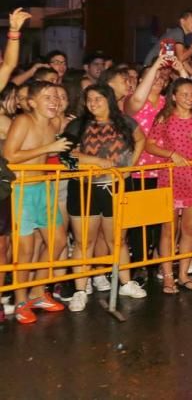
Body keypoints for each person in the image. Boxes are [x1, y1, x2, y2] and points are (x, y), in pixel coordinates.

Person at [63, 84, 147, 312]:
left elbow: (141, 139)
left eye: (99, 98)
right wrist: (96, 162)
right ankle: (81, 289)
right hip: (83, 188)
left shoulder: (125, 122)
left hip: (116, 187)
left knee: (118, 240)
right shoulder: (77, 124)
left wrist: (130, 166)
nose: (93, 103)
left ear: (109, 99)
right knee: (83, 242)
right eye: (89, 99)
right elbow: (65, 156)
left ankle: (126, 282)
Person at [2, 81, 72, 324]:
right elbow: (10, 156)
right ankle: (20, 301)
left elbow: (53, 153)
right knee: (26, 250)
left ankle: (37, 291)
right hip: (22, 191)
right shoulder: (23, 121)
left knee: (59, 241)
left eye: (56, 96)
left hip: (44, 188)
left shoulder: (53, 124)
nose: (54, 101)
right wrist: (49, 146)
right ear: (31, 102)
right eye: (47, 97)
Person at [145, 78, 192, 293]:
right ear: (174, 97)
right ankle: (168, 277)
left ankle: (184, 274)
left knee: (189, 228)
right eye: (185, 94)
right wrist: (171, 154)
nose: (190, 97)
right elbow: (150, 145)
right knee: (169, 230)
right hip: (170, 176)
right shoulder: (165, 117)